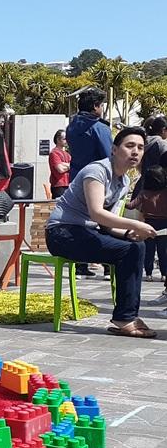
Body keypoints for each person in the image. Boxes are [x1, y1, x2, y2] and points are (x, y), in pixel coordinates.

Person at [46, 127, 157, 338]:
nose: (135, 152)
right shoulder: (96, 171)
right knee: (127, 252)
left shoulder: (123, 182)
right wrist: (135, 226)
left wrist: (127, 235)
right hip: (61, 233)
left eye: (140, 148)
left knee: (137, 246)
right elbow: (97, 213)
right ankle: (124, 318)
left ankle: (128, 315)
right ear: (115, 149)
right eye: (130, 146)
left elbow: (107, 225)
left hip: (87, 232)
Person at [66, 87, 113, 278]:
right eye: (101, 105)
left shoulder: (71, 127)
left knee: (80, 222)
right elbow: (108, 155)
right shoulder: (100, 128)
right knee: (105, 222)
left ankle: (80, 266)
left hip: (76, 178)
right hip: (97, 180)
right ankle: (109, 264)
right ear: (95, 107)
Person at [127, 165, 167, 290]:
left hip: (148, 225)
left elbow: (131, 205)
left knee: (149, 251)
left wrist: (121, 199)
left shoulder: (144, 193)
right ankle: (164, 274)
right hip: (165, 225)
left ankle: (149, 274)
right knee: (164, 251)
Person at [48, 129, 71, 198]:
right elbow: (60, 169)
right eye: (64, 139)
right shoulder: (54, 153)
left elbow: (74, 165)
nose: (66, 141)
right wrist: (68, 165)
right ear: (58, 139)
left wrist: (64, 164)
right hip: (58, 186)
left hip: (68, 184)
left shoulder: (67, 154)